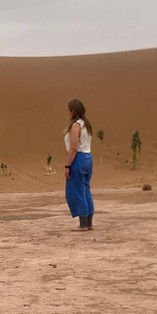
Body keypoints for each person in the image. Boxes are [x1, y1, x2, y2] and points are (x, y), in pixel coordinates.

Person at [63, 98, 94, 231]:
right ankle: (88, 223)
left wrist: (67, 166)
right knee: (85, 190)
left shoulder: (76, 125)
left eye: (69, 109)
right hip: (88, 157)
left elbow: (74, 147)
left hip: (79, 158)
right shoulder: (86, 124)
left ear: (73, 111)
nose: (67, 112)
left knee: (78, 191)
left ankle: (83, 224)